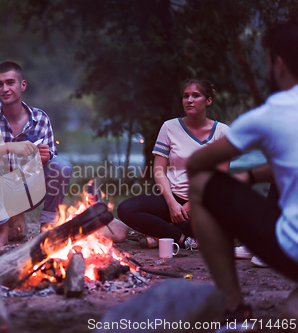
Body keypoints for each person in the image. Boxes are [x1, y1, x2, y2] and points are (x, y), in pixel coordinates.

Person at [187, 20, 298, 323]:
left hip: (293, 252)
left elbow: (196, 164)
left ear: (277, 64)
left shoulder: (273, 112)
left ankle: (234, 312)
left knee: (201, 184)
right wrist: (249, 176)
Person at [0, 61, 72, 250]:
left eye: (10, 82)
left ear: (22, 85)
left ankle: (47, 231)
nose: (5, 89)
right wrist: (9, 147)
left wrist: (45, 158)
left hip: (28, 190)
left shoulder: (41, 119)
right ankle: (2, 234)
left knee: (62, 165)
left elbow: (52, 163)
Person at [117, 78, 229, 250]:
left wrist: (190, 206)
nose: (189, 100)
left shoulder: (222, 132)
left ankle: (158, 232)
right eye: (186, 96)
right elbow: (159, 171)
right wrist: (172, 204)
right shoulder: (169, 127)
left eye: (195, 96)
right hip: (172, 197)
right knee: (126, 209)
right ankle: (182, 239)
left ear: (208, 101)